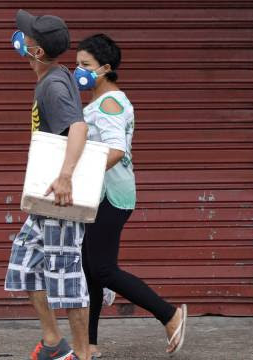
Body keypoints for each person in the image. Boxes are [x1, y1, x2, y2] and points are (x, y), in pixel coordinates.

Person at [74, 34, 187, 357]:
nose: (78, 70)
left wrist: (76, 173)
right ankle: (89, 344)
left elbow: (116, 149)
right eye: (77, 63)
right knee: (90, 268)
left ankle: (169, 314)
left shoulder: (110, 103)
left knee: (103, 269)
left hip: (110, 194)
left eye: (85, 65)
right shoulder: (103, 101)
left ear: (105, 68)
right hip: (101, 194)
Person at [4, 9, 90, 360]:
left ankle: (83, 355)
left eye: (27, 37)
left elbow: (79, 129)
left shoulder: (53, 85)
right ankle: (54, 342)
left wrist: (66, 175)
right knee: (23, 263)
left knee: (66, 275)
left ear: (36, 51)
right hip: (44, 199)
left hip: (60, 198)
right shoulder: (55, 75)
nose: (20, 39)